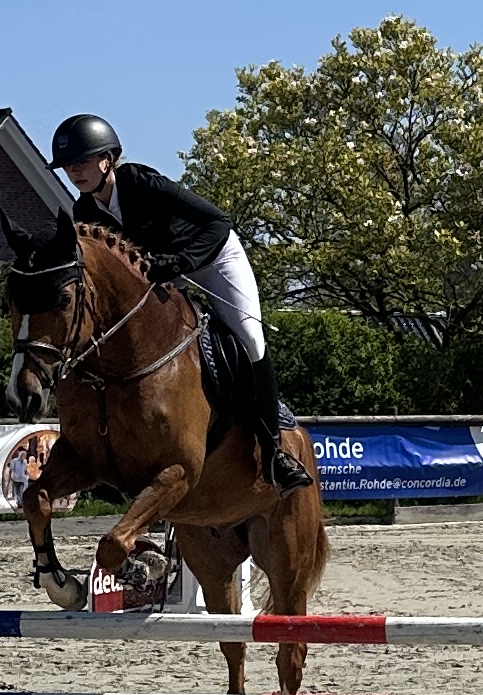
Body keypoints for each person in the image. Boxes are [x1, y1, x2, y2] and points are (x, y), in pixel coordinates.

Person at [46, 112, 305, 489]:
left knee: (250, 338)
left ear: (108, 159)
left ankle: (274, 451)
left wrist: (183, 261)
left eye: (82, 161)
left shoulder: (142, 183)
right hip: (167, 272)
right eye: (68, 166)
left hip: (215, 259)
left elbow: (218, 221)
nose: (74, 171)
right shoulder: (84, 211)